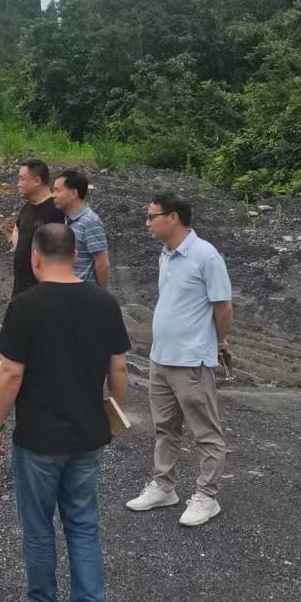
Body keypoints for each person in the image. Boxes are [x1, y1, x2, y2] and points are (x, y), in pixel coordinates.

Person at [0, 223, 131, 602]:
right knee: (83, 522)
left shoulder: (25, 306)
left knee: (38, 524)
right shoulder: (104, 302)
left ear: (35, 257)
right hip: (87, 434)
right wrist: (114, 412)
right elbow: (119, 368)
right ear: (75, 255)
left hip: (38, 437)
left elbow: (10, 372)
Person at [126, 189, 233, 528]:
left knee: (205, 431)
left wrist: (217, 341)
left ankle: (206, 496)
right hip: (161, 358)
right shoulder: (166, 254)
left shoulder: (205, 255)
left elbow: (223, 306)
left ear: (172, 218)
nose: (147, 223)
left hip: (191, 361)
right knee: (165, 428)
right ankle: (163, 487)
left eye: (152, 216)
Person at [9, 157, 66, 300]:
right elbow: (17, 228)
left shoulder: (56, 211)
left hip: (43, 292)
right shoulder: (27, 207)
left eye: (22, 179)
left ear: (37, 180)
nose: (18, 184)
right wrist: (21, 249)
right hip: (20, 288)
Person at [51, 167, 109, 287]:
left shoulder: (89, 221)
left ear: (73, 193)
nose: (53, 195)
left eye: (57, 190)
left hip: (85, 293)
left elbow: (102, 264)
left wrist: (100, 294)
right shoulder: (68, 220)